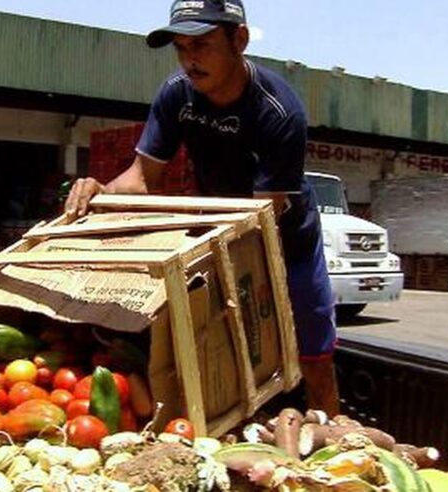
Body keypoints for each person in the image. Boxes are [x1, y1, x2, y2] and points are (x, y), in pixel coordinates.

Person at [65, 0, 339, 415]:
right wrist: (101, 194)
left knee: (313, 357)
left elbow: (262, 214)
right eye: (181, 48)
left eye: (203, 46)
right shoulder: (177, 95)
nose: (190, 61)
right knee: (220, 354)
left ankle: (334, 434)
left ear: (240, 39)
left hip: (285, 239)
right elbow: (142, 177)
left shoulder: (279, 110)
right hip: (216, 231)